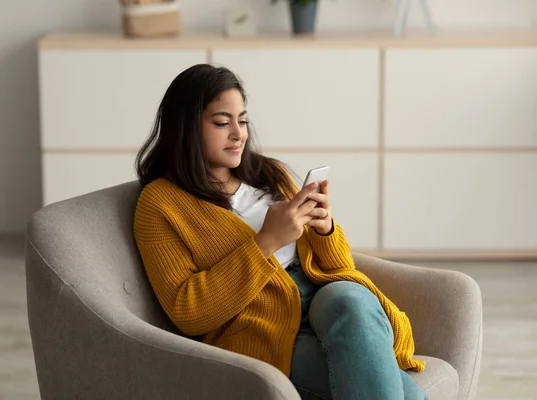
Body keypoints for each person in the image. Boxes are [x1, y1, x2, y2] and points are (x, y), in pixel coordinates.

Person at [133, 64, 427, 400]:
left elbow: (339, 266)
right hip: (258, 323)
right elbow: (189, 312)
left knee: (352, 298)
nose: (238, 133)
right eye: (221, 122)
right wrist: (267, 241)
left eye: (242, 120)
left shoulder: (267, 173)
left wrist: (324, 227)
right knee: (405, 393)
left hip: (319, 292)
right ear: (185, 127)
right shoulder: (159, 205)